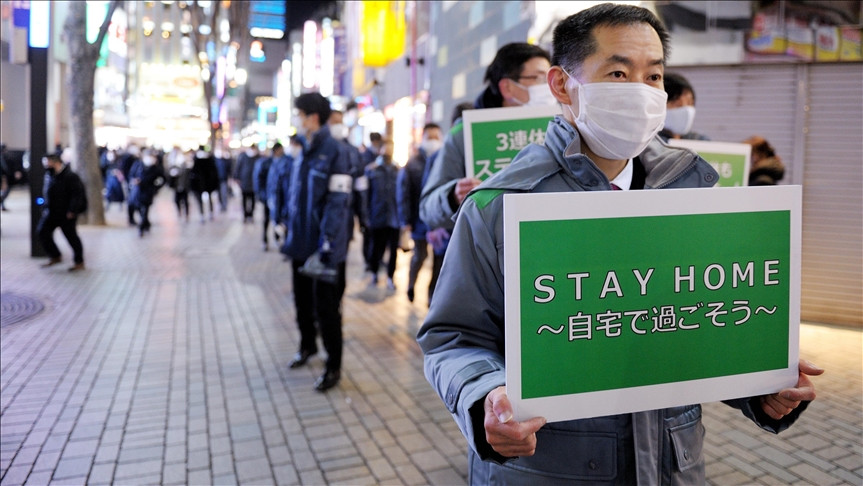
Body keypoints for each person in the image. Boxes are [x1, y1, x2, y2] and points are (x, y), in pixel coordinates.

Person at [417, 4, 822, 484]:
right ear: (562, 84)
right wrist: (484, 398)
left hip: (672, 466)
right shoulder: (500, 206)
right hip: (547, 469)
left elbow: (692, 327)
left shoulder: (692, 193)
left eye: (653, 77)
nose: (641, 92)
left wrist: (760, 382)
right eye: (618, 72)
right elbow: (453, 339)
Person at [419, 42, 552, 238]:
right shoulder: (466, 134)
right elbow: (427, 209)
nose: (547, 87)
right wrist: (453, 196)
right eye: (538, 78)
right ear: (507, 87)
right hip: (488, 250)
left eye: (550, 78)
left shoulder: (560, 127)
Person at [281, 92, 351, 392]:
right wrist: (284, 223)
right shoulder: (303, 149)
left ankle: (333, 365)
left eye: (299, 113)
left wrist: (328, 242)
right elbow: (295, 194)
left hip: (324, 247)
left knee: (326, 309)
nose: (297, 119)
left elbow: (339, 201)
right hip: (300, 241)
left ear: (312, 116)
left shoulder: (336, 151)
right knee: (301, 302)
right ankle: (307, 345)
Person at [398, 123, 443, 303]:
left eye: (436, 137)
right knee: (420, 255)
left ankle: (432, 295)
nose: (433, 141)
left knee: (439, 260)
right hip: (418, 219)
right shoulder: (413, 163)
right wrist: (405, 220)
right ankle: (411, 285)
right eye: (429, 137)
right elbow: (404, 193)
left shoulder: (444, 161)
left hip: (439, 220)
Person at [329, 109, 370, 298]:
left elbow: (360, 188)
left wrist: (362, 218)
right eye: (333, 122)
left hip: (343, 219)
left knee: (339, 264)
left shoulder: (353, 152)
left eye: (340, 122)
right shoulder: (318, 150)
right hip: (320, 220)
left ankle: (336, 301)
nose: (337, 126)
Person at [37, 153, 87, 271]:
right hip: (51, 212)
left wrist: (72, 210)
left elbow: (77, 195)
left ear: (56, 162)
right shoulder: (49, 175)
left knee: (71, 237)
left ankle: (79, 262)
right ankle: (55, 255)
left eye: (48, 163)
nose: (46, 165)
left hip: (66, 214)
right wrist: (44, 207)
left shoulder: (70, 176)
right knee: (42, 232)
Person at [365, 138, 400, 290]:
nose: (388, 151)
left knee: (393, 250)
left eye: (391, 148)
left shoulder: (398, 170)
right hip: (377, 215)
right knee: (376, 247)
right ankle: (374, 272)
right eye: (386, 148)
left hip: (394, 216)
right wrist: (365, 216)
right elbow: (365, 195)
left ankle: (391, 277)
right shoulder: (372, 170)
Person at [659, 72, 709, 141]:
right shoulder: (651, 143)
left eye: (690, 103)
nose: (686, 110)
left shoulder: (700, 140)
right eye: (677, 104)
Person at [128, 150, 165, 237]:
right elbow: (131, 174)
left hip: (148, 192)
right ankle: (146, 223)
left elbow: (162, 179)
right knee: (138, 208)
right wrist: (134, 181)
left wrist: (156, 188)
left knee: (145, 209)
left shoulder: (155, 168)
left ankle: (141, 228)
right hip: (137, 191)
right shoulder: (138, 164)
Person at [255, 143, 283, 250]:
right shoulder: (266, 163)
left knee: (277, 219)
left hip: (278, 197)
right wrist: (262, 195)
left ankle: (277, 238)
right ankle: (265, 240)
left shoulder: (282, 162)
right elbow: (259, 180)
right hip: (268, 196)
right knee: (267, 219)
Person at [234, 145, 259, 222]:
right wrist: (237, 178)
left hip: (254, 184)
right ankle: (245, 215)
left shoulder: (257, 158)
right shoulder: (243, 157)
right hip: (244, 182)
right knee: (244, 200)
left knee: (252, 200)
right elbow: (238, 167)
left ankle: (251, 214)